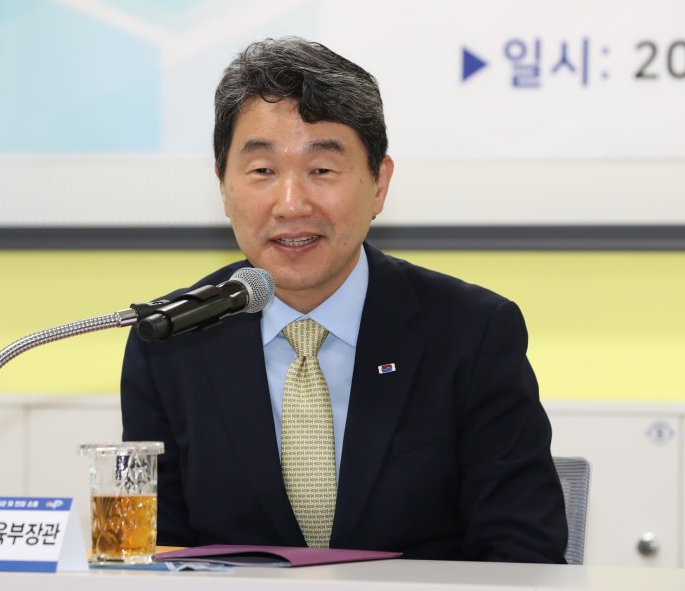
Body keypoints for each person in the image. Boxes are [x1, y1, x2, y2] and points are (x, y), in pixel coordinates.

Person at [121, 36, 568, 563]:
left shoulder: (473, 333)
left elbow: (523, 555)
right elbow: (153, 555)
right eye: (262, 171)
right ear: (223, 186)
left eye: (322, 170)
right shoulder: (171, 339)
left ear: (379, 184)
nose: (291, 204)